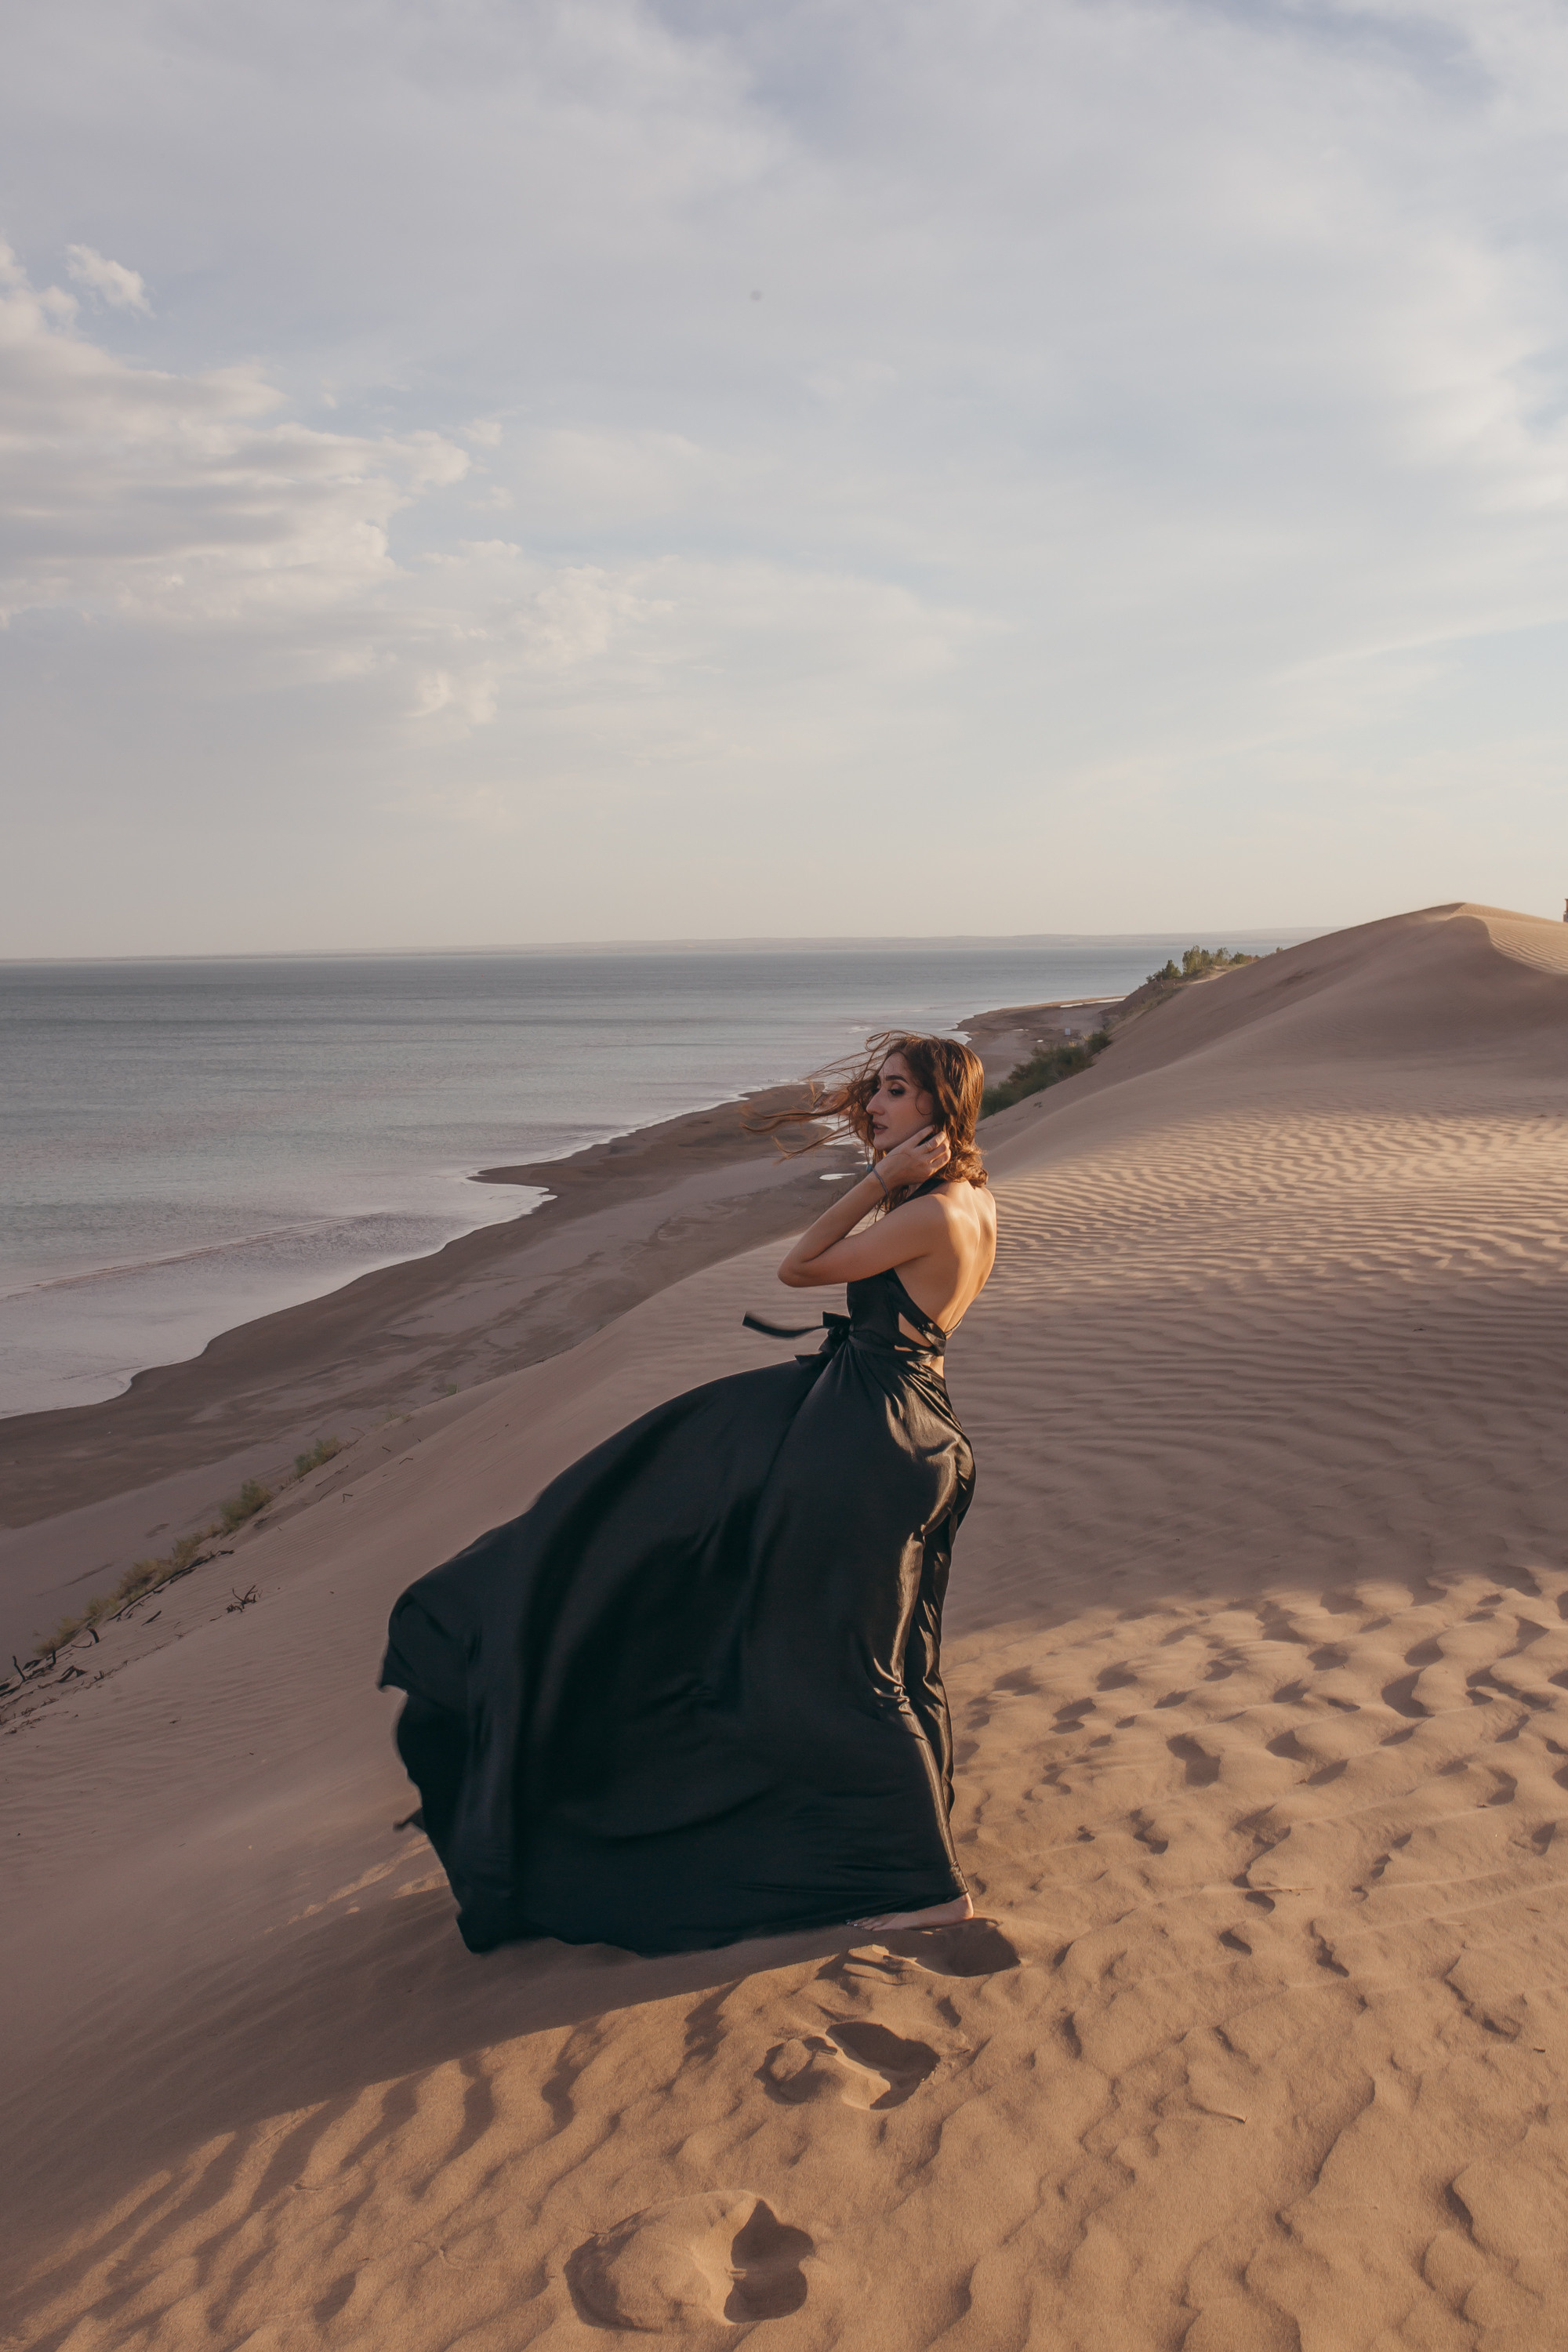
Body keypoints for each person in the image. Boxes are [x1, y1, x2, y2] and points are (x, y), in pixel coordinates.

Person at [379, 1033, 997, 1956]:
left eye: (896, 1092)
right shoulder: (975, 1201)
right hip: (913, 1425)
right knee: (896, 1659)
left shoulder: (932, 1213)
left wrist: (872, 1183)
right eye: (875, 1088)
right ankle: (911, 1845)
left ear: (938, 1108)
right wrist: (889, 1173)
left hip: (874, 1438)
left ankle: (928, 1889)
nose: (874, 1104)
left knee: (855, 1672)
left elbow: (797, 1267)